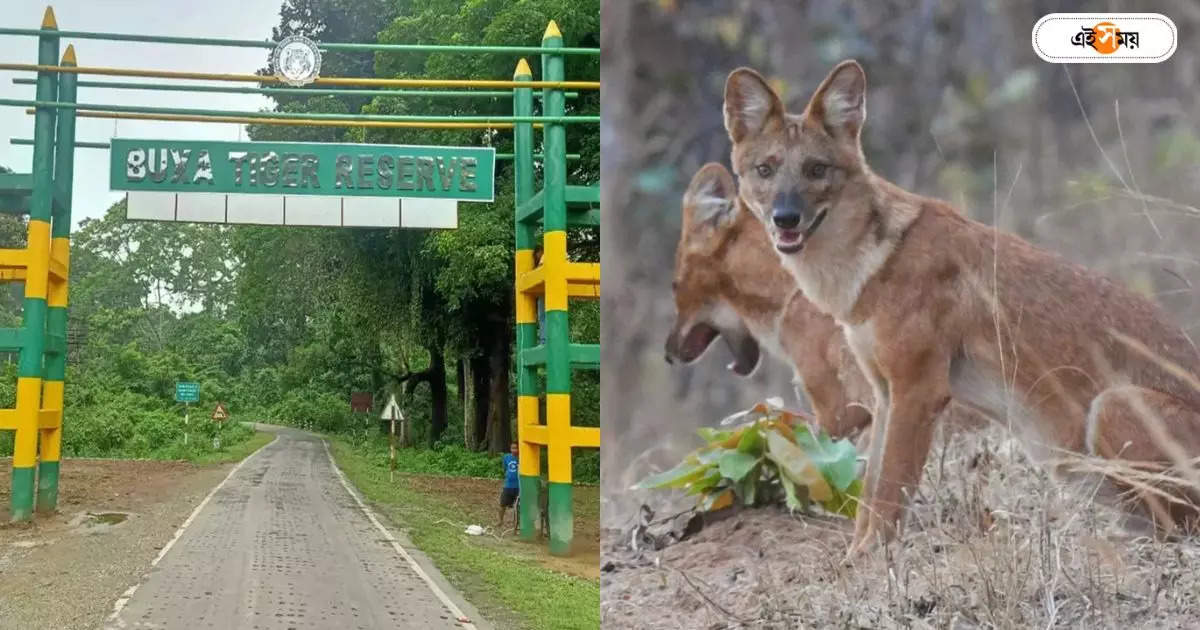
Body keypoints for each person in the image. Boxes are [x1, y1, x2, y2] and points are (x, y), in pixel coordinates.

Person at [499, 441, 520, 529]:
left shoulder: (521, 458)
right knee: (502, 504)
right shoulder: (506, 457)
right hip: (508, 485)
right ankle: (500, 521)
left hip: (519, 486)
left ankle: (516, 525)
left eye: (516, 448)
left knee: (518, 507)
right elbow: (504, 469)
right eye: (512, 448)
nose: (514, 450)